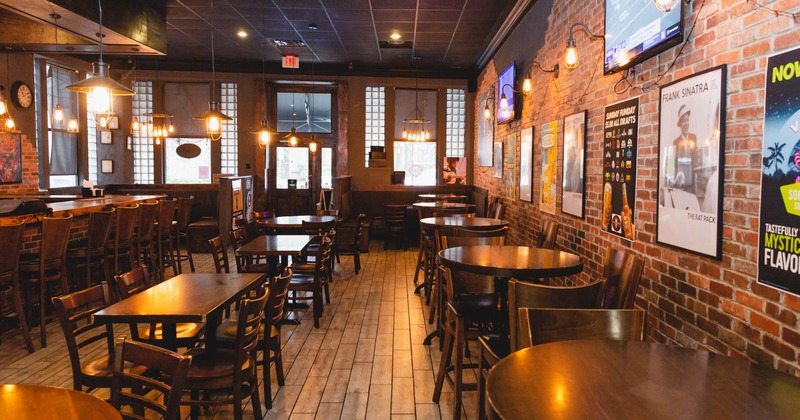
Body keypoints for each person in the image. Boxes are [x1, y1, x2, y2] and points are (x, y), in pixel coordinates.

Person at [672, 104, 697, 192]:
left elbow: (696, 159)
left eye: (687, 120)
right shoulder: (676, 142)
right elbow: (674, 165)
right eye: (683, 121)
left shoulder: (694, 138)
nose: (686, 123)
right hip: (680, 185)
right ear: (680, 124)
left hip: (692, 184)